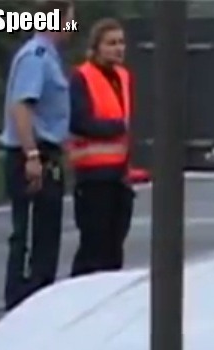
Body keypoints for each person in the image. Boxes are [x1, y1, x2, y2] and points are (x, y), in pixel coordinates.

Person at [0, 0, 76, 310]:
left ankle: (38, 298)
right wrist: (31, 154)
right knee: (32, 235)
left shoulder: (50, 58)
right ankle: (23, 300)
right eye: (70, 18)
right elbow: (21, 106)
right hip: (32, 155)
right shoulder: (37, 57)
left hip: (46, 153)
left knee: (47, 235)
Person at [68, 17, 148, 277]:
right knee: (94, 247)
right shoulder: (82, 77)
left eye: (121, 43)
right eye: (111, 43)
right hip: (93, 177)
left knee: (115, 247)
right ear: (97, 47)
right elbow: (79, 121)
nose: (118, 48)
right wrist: (115, 127)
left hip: (119, 176)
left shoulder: (123, 77)